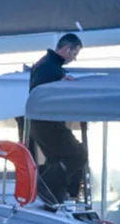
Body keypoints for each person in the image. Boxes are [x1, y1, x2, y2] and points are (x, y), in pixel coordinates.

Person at [27, 33, 86, 205]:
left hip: (41, 124)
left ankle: (54, 198)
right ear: (67, 49)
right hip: (47, 124)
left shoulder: (47, 65)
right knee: (79, 154)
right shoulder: (49, 67)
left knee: (57, 161)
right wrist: (61, 83)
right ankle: (42, 185)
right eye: (74, 53)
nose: (74, 58)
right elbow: (38, 93)